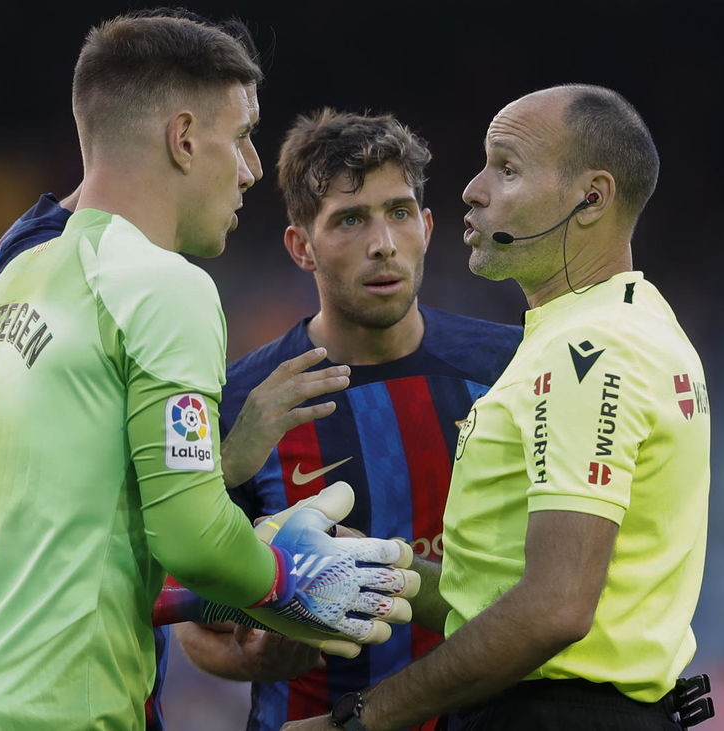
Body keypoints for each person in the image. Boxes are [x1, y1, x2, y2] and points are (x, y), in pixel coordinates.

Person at [0, 13, 413, 731]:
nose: (253, 168)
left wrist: (228, 582)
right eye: (243, 135)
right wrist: (287, 579)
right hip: (48, 714)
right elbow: (190, 536)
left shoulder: (6, 284)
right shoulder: (162, 284)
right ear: (185, 138)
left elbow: (67, 548)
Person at [284, 85, 711, 730]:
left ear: (590, 198)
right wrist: (377, 564)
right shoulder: (628, 322)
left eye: (506, 168)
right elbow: (501, 593)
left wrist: (357, 721)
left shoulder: (586, 349)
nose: (472, 190)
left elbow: (556, 608)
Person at [171, 109, 522, 731]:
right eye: (350, 220)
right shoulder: (240, 403)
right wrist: (257, 654)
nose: (382, 242)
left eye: (399, 212)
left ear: (428, 226)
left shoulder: (513, 368)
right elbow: (197, 618)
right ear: (301, 246)